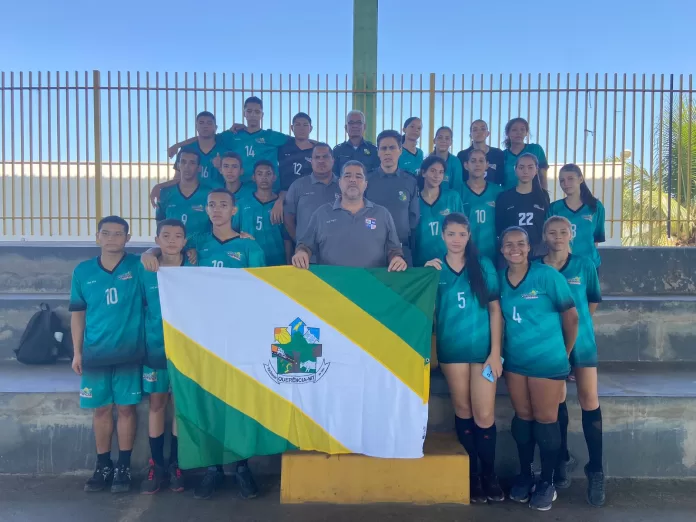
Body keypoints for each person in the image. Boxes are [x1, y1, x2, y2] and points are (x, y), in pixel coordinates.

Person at [141, 188, 265, 500]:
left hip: (237, 335)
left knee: (237, 401)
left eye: (224, 204)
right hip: (202, 336)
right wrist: (148, 253)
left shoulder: (250, 247)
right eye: (212, 204)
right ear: (206, 209)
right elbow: (167, 251)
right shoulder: (196, 242)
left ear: (234, 210)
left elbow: (264, 292)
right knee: (207, 402)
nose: (218, 209)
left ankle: (241, 467)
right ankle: (212, 469)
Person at [424, 213, 504, 504]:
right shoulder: (434, 267)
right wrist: (425, 276)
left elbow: (495, 311)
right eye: (451, 234)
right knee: (464, 409)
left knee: (484, 414)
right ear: (442, 236)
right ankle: (470, 476)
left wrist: (496, 353)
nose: (456, 239)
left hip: (482, 352)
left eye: (462, 234)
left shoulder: (482, 265)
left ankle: (489, 475)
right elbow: (424, 309)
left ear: (469, 236)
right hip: (452, 350)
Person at [499, 227, 579, 512]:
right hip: (516, 362)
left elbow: (572, 318)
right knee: (523, 420)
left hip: (547, 361)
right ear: (502, 249)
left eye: (520, 243)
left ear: (529, 247)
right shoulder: (501, 279)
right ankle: (525, 474)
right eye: (509, 244)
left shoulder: (547, 276)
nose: (515, 248)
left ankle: (548, 482)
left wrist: (565, 354)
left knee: (546, 421)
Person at [69, 216, 144, 494]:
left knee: (126, 408)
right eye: (106, 233)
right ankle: (103, 465)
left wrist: (153, 251)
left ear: (128, 237)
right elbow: (78, 315)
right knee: (101, 409)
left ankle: (123, 466)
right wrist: (77, 352)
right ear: (97, 237)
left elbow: (164, 254)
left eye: (118, 233)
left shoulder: (138, 266)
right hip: (95, 353)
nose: (112, 238)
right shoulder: (82, 270)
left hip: (129, 352)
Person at [537, 216, 605, 507]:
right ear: (544, 236)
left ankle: (597, 469)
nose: (558, 236)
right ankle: (562, 457)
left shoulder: (585, 265)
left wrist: (578, 328)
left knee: (590, 398)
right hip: (551, 342)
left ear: (571, 235)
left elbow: (591, 301)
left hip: (583, 341)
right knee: (557, 400)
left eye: (563, 231)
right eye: (552, 232)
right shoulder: (537, 266)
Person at [139, 219, 193, 495]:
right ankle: (155, 463)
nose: (172, 240)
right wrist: (148, 253)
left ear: (185, 241)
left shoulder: (195, 268)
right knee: (157, 404)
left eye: (178, 236)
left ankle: (176, 464)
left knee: (180, 406)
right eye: (166, 236)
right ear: (157, 239)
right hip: (156, 348)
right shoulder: (148, 268)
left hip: (186, 350)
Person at [292, 160, 407, 271]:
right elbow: (305, 245)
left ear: (365, 184)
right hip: (332, 286)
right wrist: (302, 253)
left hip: (373, 285)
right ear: (340, 182)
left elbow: (394, 249)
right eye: (347, 176)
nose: (353, 180)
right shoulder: (321, 214)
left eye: (358, 176)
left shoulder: (382, 214)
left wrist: (397, 258)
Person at [366, 130, 420, 265]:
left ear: (400, 150)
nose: (388, 152)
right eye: (383, 148)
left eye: (392, 148)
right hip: (371, 249)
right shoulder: (366, 181)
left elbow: (413, 218)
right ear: (378, 152)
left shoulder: (410, 181)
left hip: (402, 250)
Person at [150, 111, 226, 206]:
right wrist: (159, 186)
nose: (205, 126)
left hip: (218, 199)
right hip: (193, 199)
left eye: (209, 123)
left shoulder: (224, 147)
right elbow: (178, 178)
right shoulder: (186, 150)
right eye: (201, 123)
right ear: (196, 126)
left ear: (216, 127)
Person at [233, 160, 292, 266]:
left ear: (274, 177)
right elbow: (232, 232)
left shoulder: (282, 205)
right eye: (259, 174)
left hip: (277, 262)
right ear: (253, 177)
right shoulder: (242, 203)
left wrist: (288, 262)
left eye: (268, 174)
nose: (264, 177)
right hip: (249, 261)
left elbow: (287, 238)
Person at [547, 164, 606, 269]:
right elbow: (549, 239)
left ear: (580, 179)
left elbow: (596, 239)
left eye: (570, 179)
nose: (566, 184)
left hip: (588, 265)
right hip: (562, 266)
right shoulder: (554, 208)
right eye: (562, 180)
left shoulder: (596, 207)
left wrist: (589, 262)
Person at [495, 153, 550, 258]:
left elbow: (546, 224)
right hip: (514, 252)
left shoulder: (543, 196)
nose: (525, 171)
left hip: (538, 252)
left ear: (536, 170)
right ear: (515, 170)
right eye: (521, 167)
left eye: (530, 167)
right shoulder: (504, 197)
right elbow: (500, 229)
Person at [283, 143, 340, 243]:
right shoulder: (297, 186)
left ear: (333, 160)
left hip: (337, 251)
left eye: (325, 156)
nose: (321, 160)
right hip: (307, 253)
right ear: (311, 161)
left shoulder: (343, 186)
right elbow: (288, 218)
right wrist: (299, 242)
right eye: (317, 157)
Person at [413, 156, 463, 267]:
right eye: (433, 171)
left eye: (441, 172)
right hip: (422, 262)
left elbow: (463, 228)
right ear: (423, 173)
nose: (437, 176)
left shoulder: (452, 197)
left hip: (450, 262)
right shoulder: (414, 200)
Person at [155, 149, 211, 240]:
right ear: (178, 165)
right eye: (183, 162)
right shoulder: (165, 193)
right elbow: (160, 222)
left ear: (199, 168)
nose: (187, 166)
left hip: (201, 249)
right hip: (173, 250)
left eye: (192, 163)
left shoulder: (209, 194)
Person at [460, 149, 503, 261]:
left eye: (481, 161)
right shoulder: (457, 192)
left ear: (487, 165)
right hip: (465, 253)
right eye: (473, 161)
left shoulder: (498, 192)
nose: (477, 164)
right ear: (466, 165)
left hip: (493, 253)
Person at [502, 118, 549, 190]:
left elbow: (543, 175)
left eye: (522, 129)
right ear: (508, 133)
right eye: (514, 130)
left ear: (526, 132)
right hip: (508, 197)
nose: (519, 132)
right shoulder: (502, 155)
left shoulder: (536, 149)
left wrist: (545, 196)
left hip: (533, 197)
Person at [457, 120, 505, 185]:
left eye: (483, 129)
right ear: (470, 135)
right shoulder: (462, 155)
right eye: (475, 130)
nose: (479, 132)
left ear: (488, 133)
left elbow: (501, 179)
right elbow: (460, 180)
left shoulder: (498, 154)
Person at [332, 110, 380, 175]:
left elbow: (377, 174)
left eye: (359, 123)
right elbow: (334, 175)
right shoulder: (337, 151)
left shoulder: (373, 150)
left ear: (364, 127)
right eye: (351, 123)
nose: (355, 126)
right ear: (346, 128)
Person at [278, 112, 315, 192]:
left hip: (309, 194)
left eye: (305, 125)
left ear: (310, 128)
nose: (301, 128)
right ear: (292, 128)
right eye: (297, 125)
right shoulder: (282, 147)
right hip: (285, 194)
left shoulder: (316, 151)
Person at [431, 126, 464, 193]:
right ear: (434, 141)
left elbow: (457, 189)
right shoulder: (427, 161)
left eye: (447, 138)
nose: (443, 141)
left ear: (451, 142)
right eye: (440, 138)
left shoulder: (455, 162)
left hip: (449, 202)